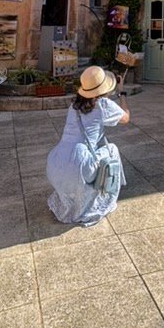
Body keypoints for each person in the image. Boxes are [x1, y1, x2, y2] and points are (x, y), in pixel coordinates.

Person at [46, 65, 129, 227]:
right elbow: (126, 118)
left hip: (56, 163)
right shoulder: (103, 104)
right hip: (79, 165)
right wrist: (121, 93)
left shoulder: (74, 105)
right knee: (112, 150)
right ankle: (110, 189)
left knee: (97, 149)